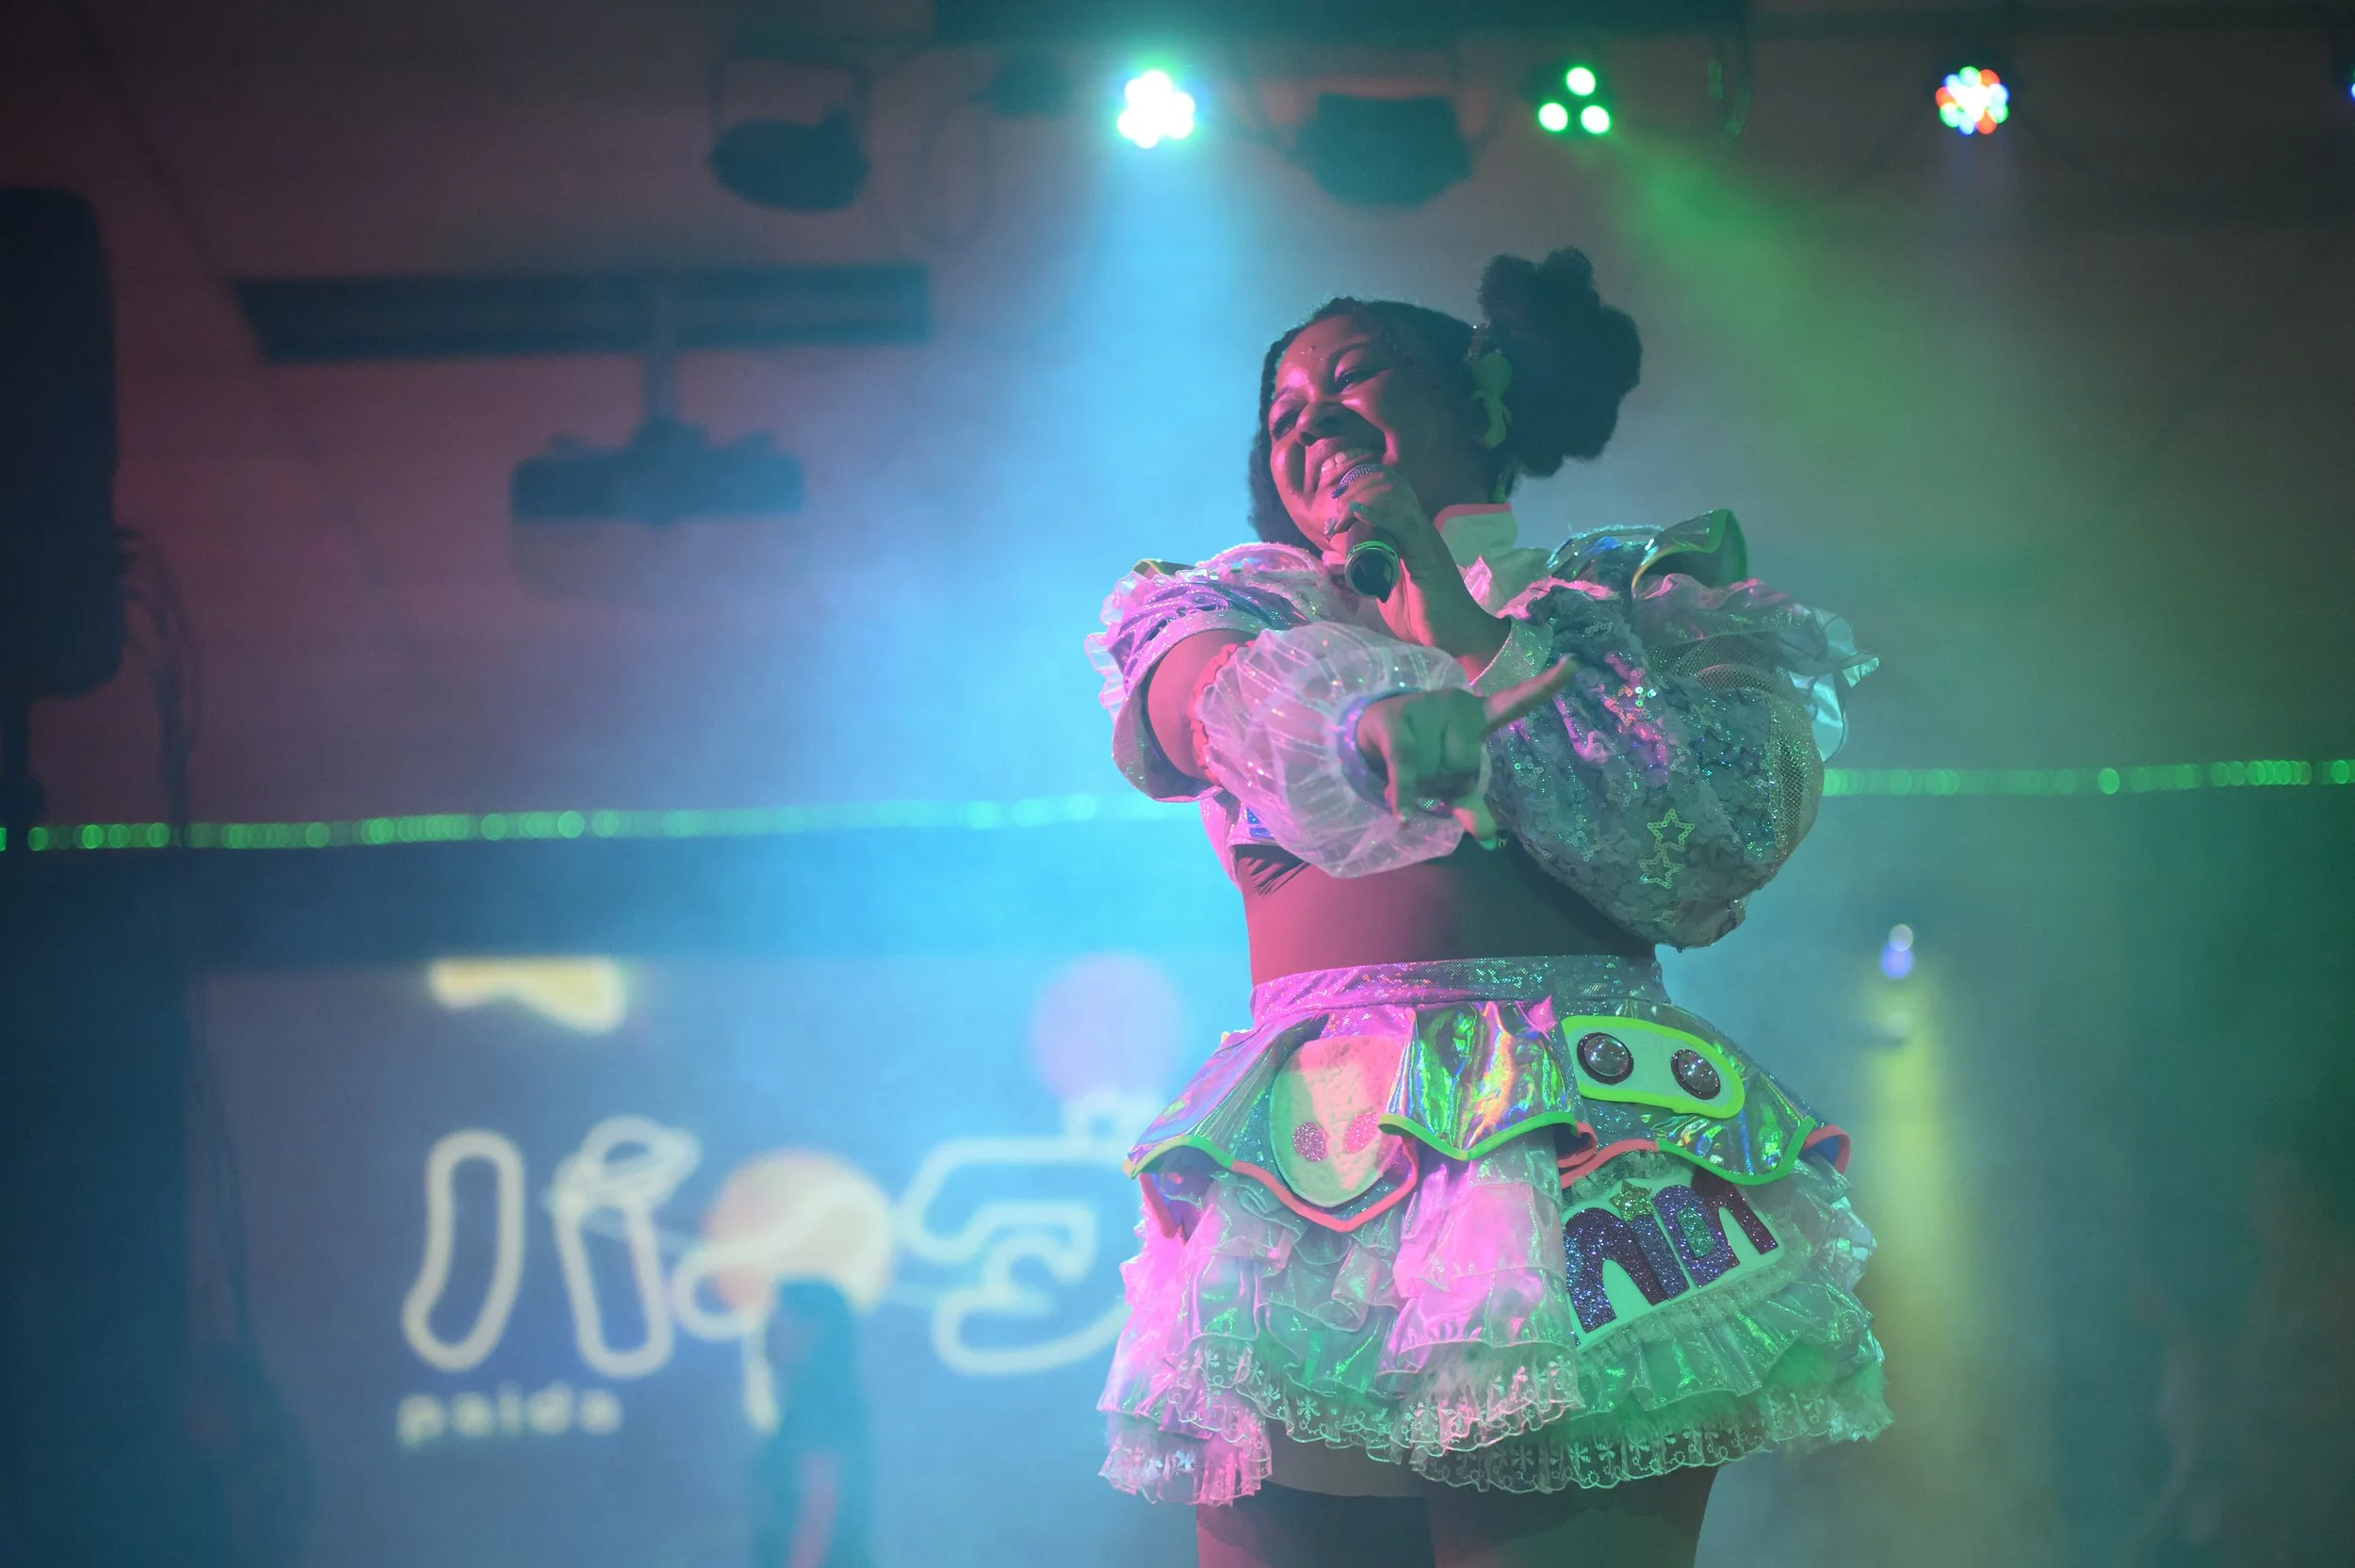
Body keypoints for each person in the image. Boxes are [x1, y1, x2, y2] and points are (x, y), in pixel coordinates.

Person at [1086, 248, 1889, 1568]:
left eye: (1356, 381)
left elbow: (1717, 838)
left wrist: (1467, 628)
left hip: (1577, 1153)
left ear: (1485, 408)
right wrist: (1366, 712)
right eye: (1284, 412)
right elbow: (1201, 706)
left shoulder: (1629, 608)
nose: (1314, 422)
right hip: (1310, 1170)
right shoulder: (1239, 613)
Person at [748, 1282, 872, 1568]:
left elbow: (819, 1507)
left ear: (813, 1331)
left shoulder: (820, 1406)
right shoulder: (815, 1404)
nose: (766, 1330)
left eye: (779, 1318)